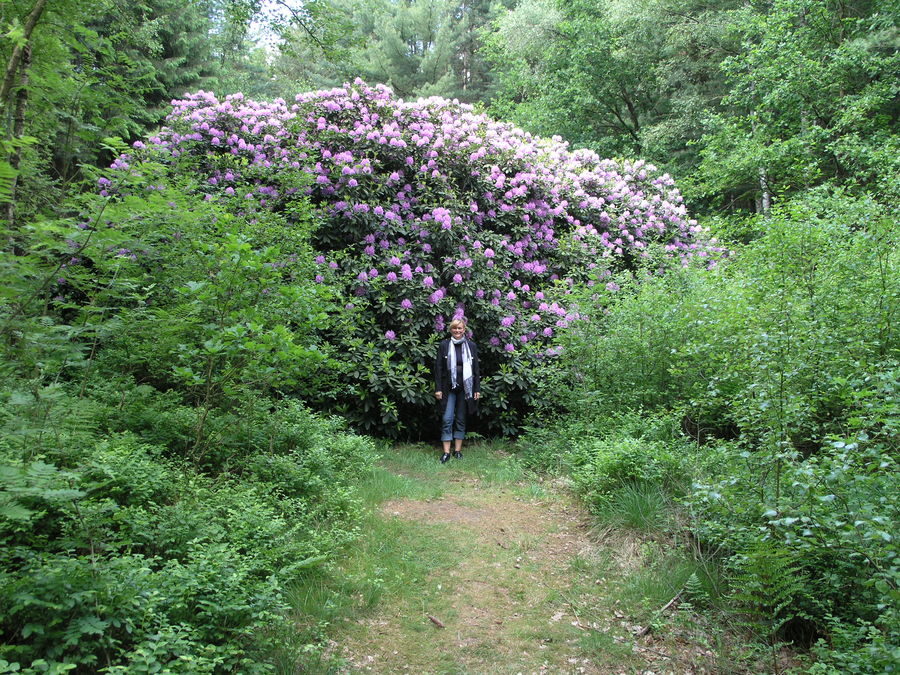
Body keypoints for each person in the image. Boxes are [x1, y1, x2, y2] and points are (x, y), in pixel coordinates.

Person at [434, 319, 481, 463]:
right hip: (448, 388)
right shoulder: (444, 345)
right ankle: (446, 452)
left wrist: (477, 389)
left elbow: (476, 370)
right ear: (451, 330)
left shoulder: (471, 346)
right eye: (454, 328)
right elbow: (438, 369)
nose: (457, 331)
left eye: (460, 328)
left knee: (461, 419)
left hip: (465, 389)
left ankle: (458, 451)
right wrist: (438, 389)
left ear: (464, 329)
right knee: (447, 419)